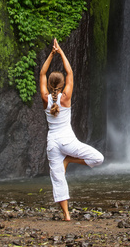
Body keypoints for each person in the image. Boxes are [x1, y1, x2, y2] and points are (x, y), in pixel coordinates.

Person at [40, 38, 104, 221]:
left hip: (52, 142)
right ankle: (69, 160)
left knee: (58, 178)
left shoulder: (46, 98)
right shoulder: (66, 98)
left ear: (50, 85)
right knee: (98, 158)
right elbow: (70, 72)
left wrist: (51, 55)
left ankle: (67, 215)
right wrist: (60, 52)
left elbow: (42, 73)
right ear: (61, 86)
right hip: (68, 141)